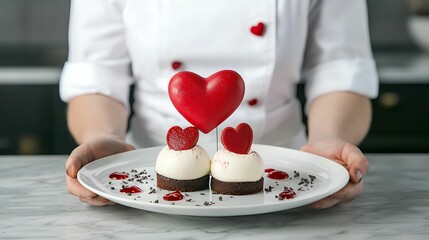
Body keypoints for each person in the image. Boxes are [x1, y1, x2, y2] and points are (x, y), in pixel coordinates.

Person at [61, 0, 378, 208]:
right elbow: (96, 74)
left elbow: (341, 69)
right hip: (147, 178)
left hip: (290, 177)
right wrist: (104, 138)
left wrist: (326, 144)